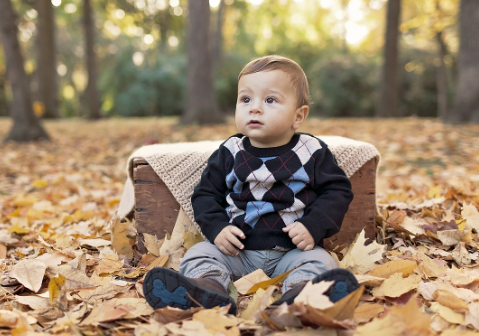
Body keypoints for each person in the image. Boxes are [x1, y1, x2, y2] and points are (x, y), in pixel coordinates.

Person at [143, 55, 358, 315]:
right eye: (245, 99)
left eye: (270, 100)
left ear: (298, 116)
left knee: (320, 261)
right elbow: (205, 194)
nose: (254, 108)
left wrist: (313, 226)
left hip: (292, 251)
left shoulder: (310, 151)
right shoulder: (230, 151)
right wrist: (218, 228)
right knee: (200, 253)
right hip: (238, 252)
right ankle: (209, 289)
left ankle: (300, 294)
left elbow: (338, 191)